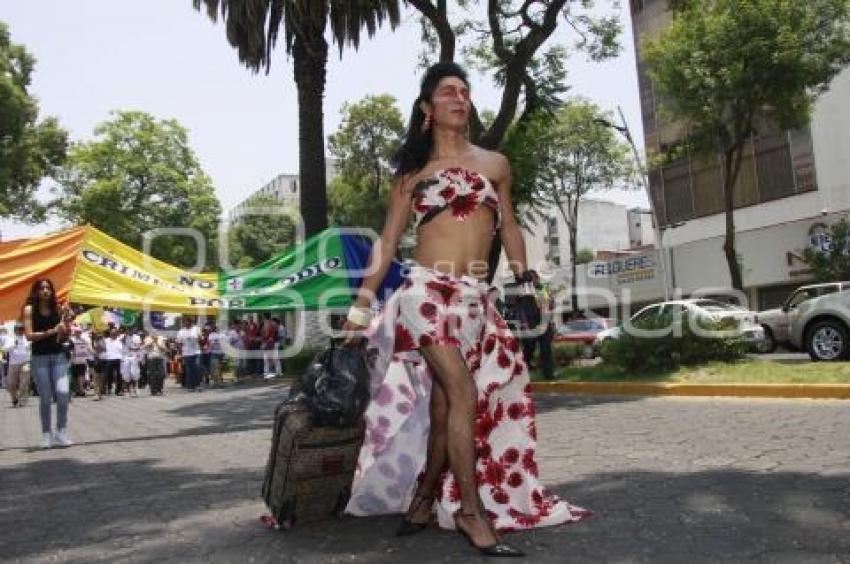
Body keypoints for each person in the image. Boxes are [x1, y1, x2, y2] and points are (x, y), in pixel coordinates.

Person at [341, 63, 590, 557]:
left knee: (443, 406)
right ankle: (470, 512)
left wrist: (524, 275)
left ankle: (424, 496)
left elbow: (511, 226)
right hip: (423, 292)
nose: (461, 98)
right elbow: (388, 242)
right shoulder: (411, 175)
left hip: (475, 296)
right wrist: (362, 303)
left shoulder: (495, 163)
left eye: (465, 91)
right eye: (449, 91)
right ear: (427, 109)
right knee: (462, 389)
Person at [23, 278, 73, 448]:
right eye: (41, 288)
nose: (45, 291)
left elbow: (64, 334)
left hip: (58, 355)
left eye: (48, 288)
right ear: (36, 291)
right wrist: (52, 331)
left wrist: (67, 321)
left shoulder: (57, 308)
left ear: (52, 291)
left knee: (63, 393)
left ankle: (61, 431)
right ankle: (46, 434)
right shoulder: (29, 310)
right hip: (39, 358)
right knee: (45, 398)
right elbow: (29, 336)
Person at [5, 323, 31, 408]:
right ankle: (14, 398)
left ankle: (22, 400)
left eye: (21, 329)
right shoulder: (10, 339)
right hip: (13, 364)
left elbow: (31, 349)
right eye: (18, 329)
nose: (20, 331)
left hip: (25, 363)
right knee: (10, 384)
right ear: (14, 330)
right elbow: (5, 349)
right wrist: (13, 345)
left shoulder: (27, 338)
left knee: (24, 382)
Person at [178, 317, 201, 392]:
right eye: (185, 322)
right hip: (187, 353)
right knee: (189, 370)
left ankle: (197, 385)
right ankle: (190, 386)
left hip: (196, 352)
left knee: (197, 368)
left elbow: (201, 340)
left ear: (191, 322)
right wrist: (180, 353)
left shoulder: (196, 329)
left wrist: (199, 337)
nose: (186, 323)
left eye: (188, 322)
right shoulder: (181, 331)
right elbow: (179, 343)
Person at [69, 326, 92, 397]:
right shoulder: (71, 340)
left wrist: (92, 353)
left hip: (82, 361)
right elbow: (69, 349)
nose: (78, 333)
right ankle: (77, 391)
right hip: (73, 361)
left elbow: (88, 348)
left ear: (81, 333)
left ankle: (81, 390)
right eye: (76, 332)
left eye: (79, 332)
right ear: (74, 333)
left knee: (81, 375)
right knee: (75, 376)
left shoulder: (84, 340)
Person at [103, 326, 124, 396]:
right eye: (112, 333)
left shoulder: (120, 340)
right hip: (109, 359)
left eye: (115, 333)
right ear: (110, 333)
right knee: (109, 375)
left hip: (119, 359)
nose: (113, 334)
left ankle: (119, 390)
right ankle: (109, 388)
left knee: (119, 375)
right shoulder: (106, 341)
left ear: (117, 333)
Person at [122, 329, 142, 397]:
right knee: (127, 375)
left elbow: (139, 348)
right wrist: (125, 338)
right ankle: (127, 390)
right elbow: (123, 345)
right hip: (126, 357)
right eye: (127, 330)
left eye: (130, 330)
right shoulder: (124, 337)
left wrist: (133, 349)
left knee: (134, 373)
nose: (129, 331)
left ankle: (135, 389)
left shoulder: (137, 337)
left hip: (134, 357)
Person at [260, 313, 278, 378]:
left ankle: (269, 372)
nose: (263, 319)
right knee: (269, 359)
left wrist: (263, 340)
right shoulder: (271, 324)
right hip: (269, 343)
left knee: (268, 359)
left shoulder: (268, 324)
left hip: (268, 343)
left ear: (265, 317)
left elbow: (267, 335)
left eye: (263, 317)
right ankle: (269, 372)